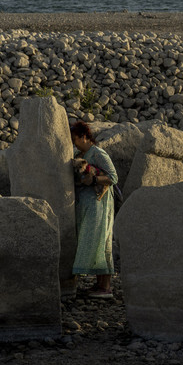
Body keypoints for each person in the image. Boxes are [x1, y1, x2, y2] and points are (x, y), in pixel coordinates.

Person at [69, 120, 118, 299]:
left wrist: (95, 180)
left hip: (100, 203)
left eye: (75, 139)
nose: (74, 143)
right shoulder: (80, 154)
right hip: (88, 205)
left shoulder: (97, 153)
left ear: (84, 137)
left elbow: (113, 177)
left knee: (101, 239)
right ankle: (99, 284)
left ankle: (106, 287)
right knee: (93, 240)